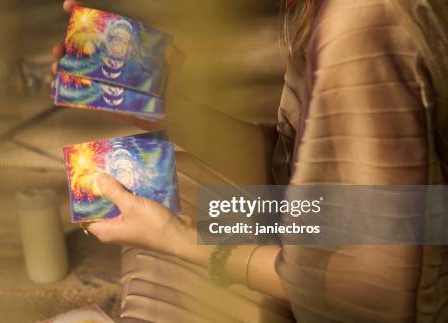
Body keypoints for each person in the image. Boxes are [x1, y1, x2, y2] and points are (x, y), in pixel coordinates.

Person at [53, 0, 448, 322]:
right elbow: (295, 171)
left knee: (166, 218)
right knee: (164, 182)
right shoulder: (329, 15)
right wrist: (171, 110)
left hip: (371, 286)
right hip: (329, 226)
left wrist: (178, 240)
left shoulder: (360, 26)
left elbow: (374, 289)